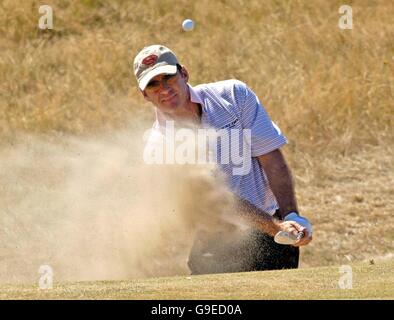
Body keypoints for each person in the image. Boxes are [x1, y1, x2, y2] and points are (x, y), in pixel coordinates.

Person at [133, 44, 313, 274]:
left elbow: (271, 159)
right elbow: (220, 202)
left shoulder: (233, 96)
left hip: (275, 233)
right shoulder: (159, 146)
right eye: (153, 84)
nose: (164, 88)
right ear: (145, 95)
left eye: (168, 77)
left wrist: (291, 215)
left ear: (184, 73)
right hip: (218, 246)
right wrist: (276, 227)